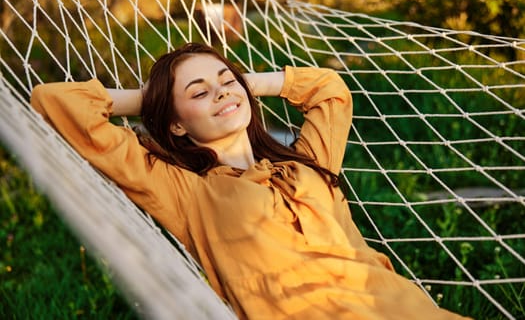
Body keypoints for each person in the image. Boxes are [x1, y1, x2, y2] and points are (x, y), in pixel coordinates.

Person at [31, 42, 469, 319]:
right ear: (177, 125)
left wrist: (240, 83)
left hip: (397, 306)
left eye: (226, 82)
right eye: (199, 93)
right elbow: (55, 102)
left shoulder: (308, 161)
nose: (221, 92)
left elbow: (329, 90)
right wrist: (155, 100)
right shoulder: (187, 192)